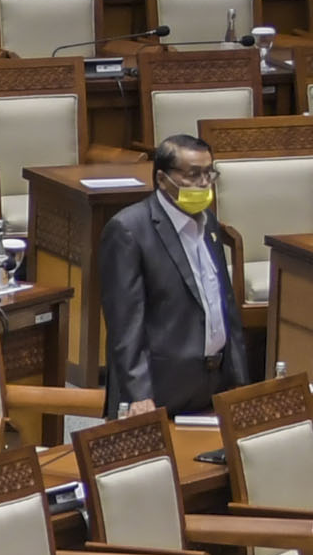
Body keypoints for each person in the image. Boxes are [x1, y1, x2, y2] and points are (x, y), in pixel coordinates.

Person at [97, 134, 257, 414]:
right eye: (194, 175)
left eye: (209, 174)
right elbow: (125, 323)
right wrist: (139, 394)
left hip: (211, 383)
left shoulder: (209, 225)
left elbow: (225, 306)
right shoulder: (129, 230)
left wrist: (240, 381)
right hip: (158, 392)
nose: (204, 184)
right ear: (162, 179)